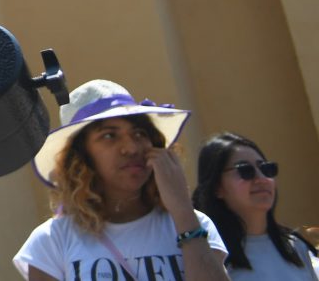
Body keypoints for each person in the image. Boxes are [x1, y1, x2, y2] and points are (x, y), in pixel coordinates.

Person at [15, 79, 231, 281]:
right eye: (109, 135)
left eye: (139, 133)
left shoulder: (195, 224)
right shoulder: (51, 242)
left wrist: (183, 210)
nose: (132, 148)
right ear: (81, 157)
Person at [192, 132, 319, 277]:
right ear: (216, 187)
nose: (262, 179)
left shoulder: (297, 247)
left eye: (266, 168)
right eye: (245, 170)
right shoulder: (209, 255)